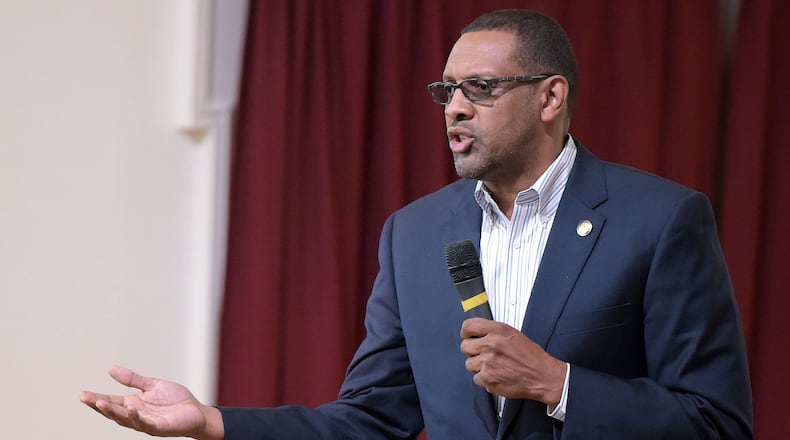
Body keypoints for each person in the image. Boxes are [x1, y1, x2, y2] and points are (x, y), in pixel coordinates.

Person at [80, 9, 753, 439]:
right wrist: (215, 421)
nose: (454, 109)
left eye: (481, 89)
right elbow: (370, 419)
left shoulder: (660, 220)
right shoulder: (415, 234)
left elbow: (717, 424)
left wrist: (559, 385)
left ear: (551, 96)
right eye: (446, 91)